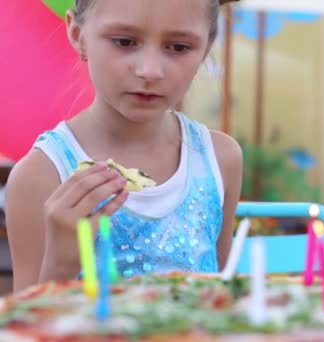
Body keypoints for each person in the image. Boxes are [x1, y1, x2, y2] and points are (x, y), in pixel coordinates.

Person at [5, 0, 242, 292]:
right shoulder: (42, 174)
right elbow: (23, 328)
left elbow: (225, 292)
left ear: (206, 46)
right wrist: (61, 265)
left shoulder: (220, 158)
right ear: (78, 35)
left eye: (178, 47)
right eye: (125, 41)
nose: (150, 71)